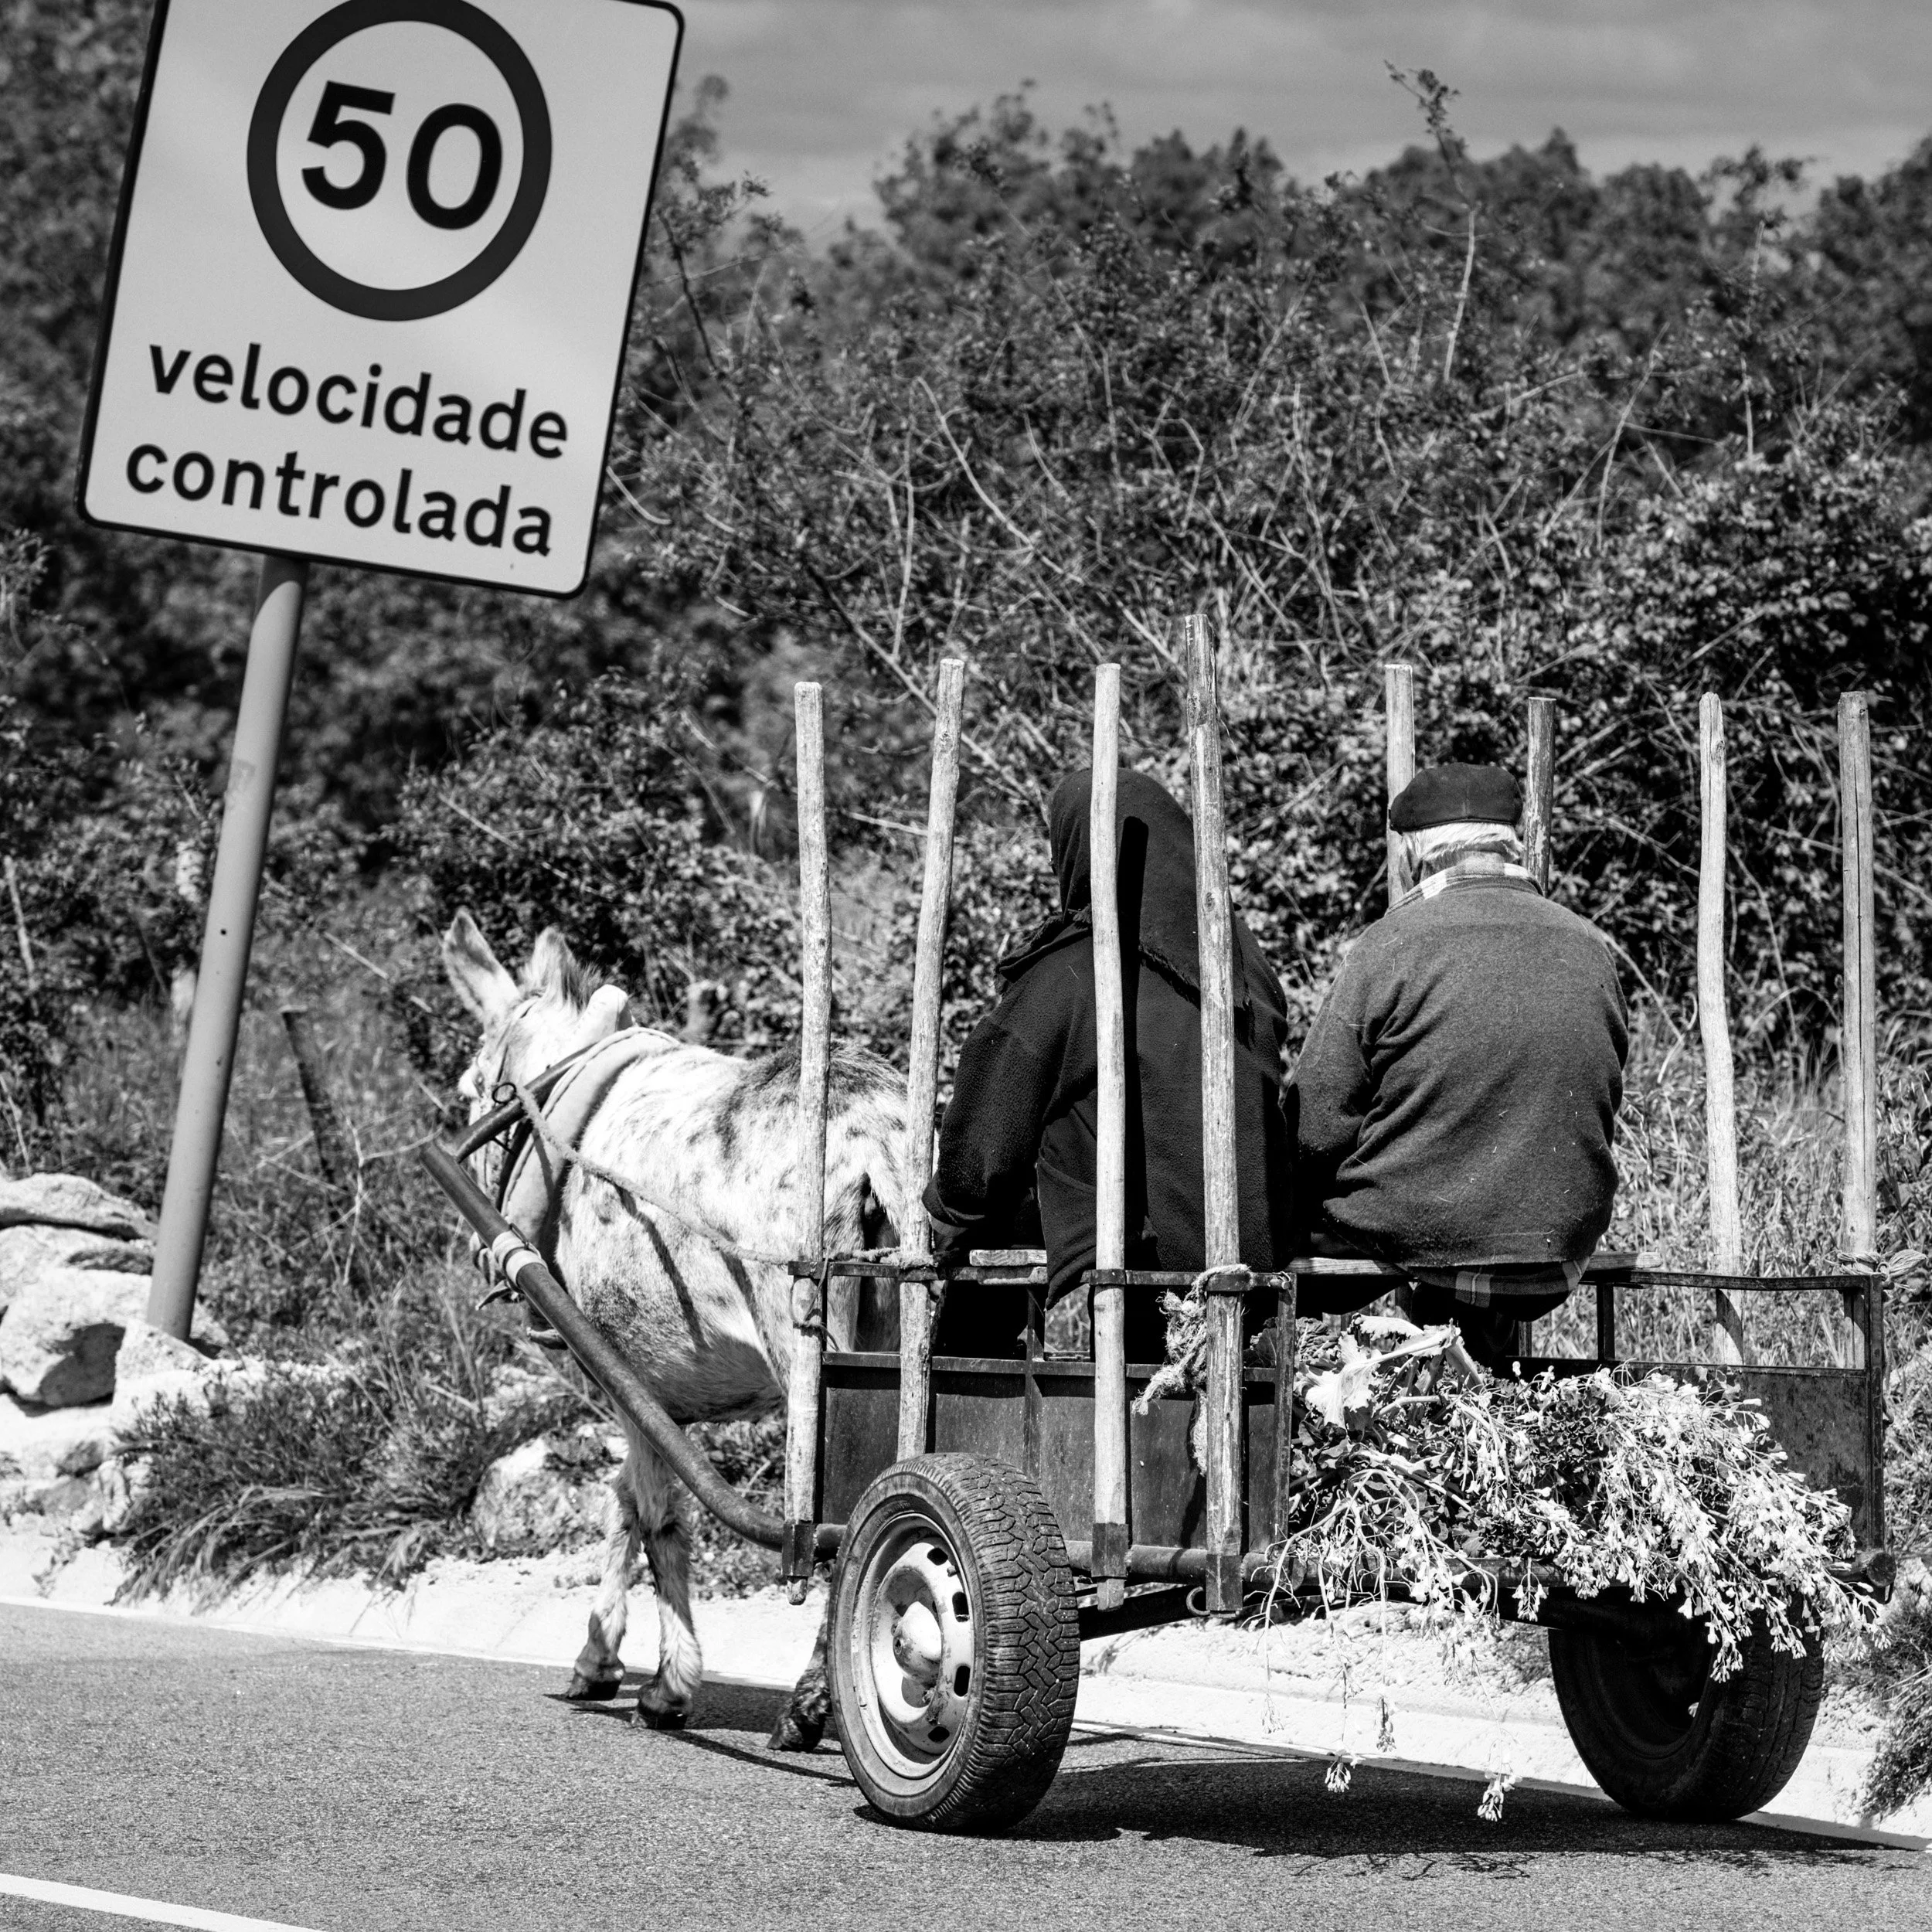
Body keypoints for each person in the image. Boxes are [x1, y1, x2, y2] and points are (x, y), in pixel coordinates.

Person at [925, 767, 1297, 1360]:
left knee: (970, 1290)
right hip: (1249, 1283)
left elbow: (978, 1163)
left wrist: (943, 1216)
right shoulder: (1246, 970)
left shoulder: (1070, 976)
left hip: (1125, 1287)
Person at [1288, 762, 1628, 1368]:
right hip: (1559, 1242)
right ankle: (1478, 1391)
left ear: (1412, 856)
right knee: (1472, 1213)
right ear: (1510, 844)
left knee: (1285, 1237)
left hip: (1427, 1231)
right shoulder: (1589, 944)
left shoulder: (1391, 945)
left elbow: (1316, 1121)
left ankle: (1329, 1405)